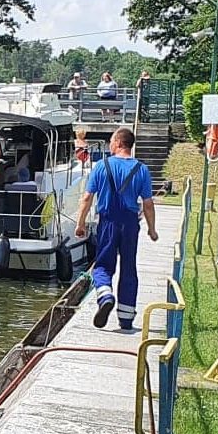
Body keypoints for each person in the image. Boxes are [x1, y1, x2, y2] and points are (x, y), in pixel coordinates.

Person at [74, 127, 157, 331]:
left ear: (119, 143)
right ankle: (126, 318)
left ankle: (105, 295)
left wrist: (80, 223)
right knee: (129, 267)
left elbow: (87, 197)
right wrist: (152, 229)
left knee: (102, 265)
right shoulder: (142, 169)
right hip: (130, 223)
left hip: (108, 221)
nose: (110, 144)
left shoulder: (102, 166)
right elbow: (148, 203)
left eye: (111, 140)